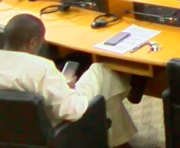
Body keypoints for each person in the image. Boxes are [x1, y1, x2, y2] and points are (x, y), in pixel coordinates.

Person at [0, 14, 137, 147]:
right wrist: (68, 91)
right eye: (42, 42)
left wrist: (60, 87)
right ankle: (134, 88)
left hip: (9, 134)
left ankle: (120, 142)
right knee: (101, 72)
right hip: (54, 132)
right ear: (33, 42)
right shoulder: (42, 69)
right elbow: (72, 112)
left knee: (106, 91)